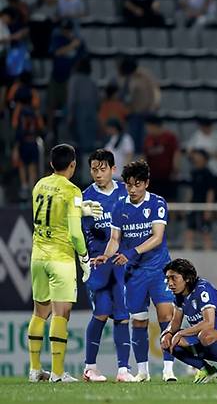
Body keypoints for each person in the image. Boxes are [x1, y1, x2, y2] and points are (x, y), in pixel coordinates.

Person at [91, 160, 177, 382]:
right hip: (134, 274)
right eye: (129, 184)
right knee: (139, 321)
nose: (132, 189)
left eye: (137, 184)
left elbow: (157, 238)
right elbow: (115, 239)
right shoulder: (119, 206)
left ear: (146, 183)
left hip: (159, 270)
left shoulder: (157, 203)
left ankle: (168, 370)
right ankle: (143, 371)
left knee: (166, 316)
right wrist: (107, 256)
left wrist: (131, 252)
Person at [27, 143, 102, 383]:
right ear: (73, 165)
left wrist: (80, 210)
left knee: (39, 313)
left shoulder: (39, 184)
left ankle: (35, 369)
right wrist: (84, 258)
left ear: (51, 164)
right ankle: (57, 373)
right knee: (61, 314)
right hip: (60, 259)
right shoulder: (72, 191)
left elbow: (49, 213)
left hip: (38, 255)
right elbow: (75, 233)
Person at [81, 149, 136, 383]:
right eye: (94, 169)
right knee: (102, 312)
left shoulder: (125, 192)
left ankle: (123, 370)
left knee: (123, 315)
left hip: (121, 262)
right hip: (98, 263)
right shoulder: (85, 198)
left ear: (113, 170)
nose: (97, 173)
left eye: (102, 169)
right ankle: (90, 368)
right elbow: (82, 233)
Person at [161, 258, 217, 384]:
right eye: (168, 278)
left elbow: (209, 323)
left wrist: (180, 333)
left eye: (174, 278)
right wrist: (167, 334)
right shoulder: (179, 296)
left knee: (205, 334)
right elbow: (174, 323)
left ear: (187, 278)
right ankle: (206, 370)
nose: (170, 283)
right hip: (206, 341)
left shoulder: (203, 289)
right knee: (167, 341)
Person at [47, 19, 85, 135]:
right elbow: (56, 52)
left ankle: (67, 132)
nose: (66, 32)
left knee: (68, 107)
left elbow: (82, 60)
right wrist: (72, 45)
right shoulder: (58, 39)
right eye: (64, 30)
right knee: (51, 105)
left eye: (67, 30)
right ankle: (50, 131)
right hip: (56, 77)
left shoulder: (78, 42)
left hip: (69, 79)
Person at [116, 57, 161, 153]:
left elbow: (155, 90)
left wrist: (155, 104)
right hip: (133, 114)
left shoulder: (145, 75)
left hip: (147, 112)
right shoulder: (125, 78)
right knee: (133, 139)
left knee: (146, 139)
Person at [183, 149, 217, 250]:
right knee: (190, 231)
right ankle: (187, 254)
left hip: (203, 207)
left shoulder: (208, 174)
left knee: (206, 232)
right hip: (193, 206)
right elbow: (190, 190)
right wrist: (187, 206)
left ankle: (208, 255)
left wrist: (208, 208)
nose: (197, 159)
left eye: (199, 157)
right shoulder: (193, 173)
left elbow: (210, 192)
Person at [143, 116, 180, 201]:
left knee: (169, 201)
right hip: (153, 177)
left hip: (167, 176)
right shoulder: (148, 139)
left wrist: (176, 168)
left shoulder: (170, 137)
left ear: (154, 126)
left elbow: (176, 153)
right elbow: (145, 156)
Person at [67, 57, 99, 154]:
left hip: (79, 111)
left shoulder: (74, 79)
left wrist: (70, 114)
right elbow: (97, 100)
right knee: (90, 142)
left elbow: (72, 98)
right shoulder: (92, 81)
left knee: (79, 142)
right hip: (92, 112)